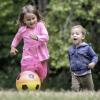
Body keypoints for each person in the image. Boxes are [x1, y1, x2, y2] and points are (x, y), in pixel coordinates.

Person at [10, 4, 49, 81]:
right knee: (27, 74)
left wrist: (38, 37)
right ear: (24, 20)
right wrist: (13, 47)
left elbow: (46, 37)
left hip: (41, 56)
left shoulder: (40, 25)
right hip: (28, 56)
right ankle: (26, 86)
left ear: (37, 17)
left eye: (33, 18)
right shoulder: (22, 30)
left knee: (42, 76)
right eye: (28, 20)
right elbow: (17, 38)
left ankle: (35, 88)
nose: (31, 21)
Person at [68, 25, 98, 91]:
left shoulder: (87, 47)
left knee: (90, 91)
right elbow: (70, 59)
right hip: (75, 74)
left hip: (86, 74)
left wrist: (93, 62)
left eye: (77, 34)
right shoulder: (70, 49)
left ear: (83, 37)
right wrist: (71, 68)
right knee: (74, 89)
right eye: (72, 34)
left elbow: (95, 56)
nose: (74, 35)